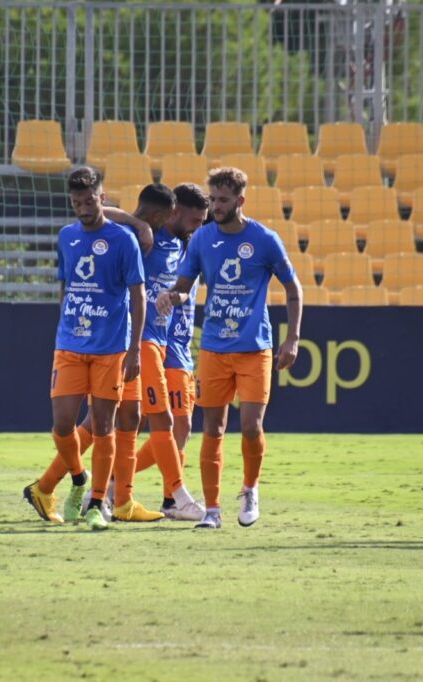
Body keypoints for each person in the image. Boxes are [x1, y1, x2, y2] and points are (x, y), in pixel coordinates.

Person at [155, 167, 303, 530]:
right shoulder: (203, 240)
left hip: (254, 347)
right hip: (215, 348)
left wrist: (293, 337)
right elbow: (186, 285)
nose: (215, 207)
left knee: (251, 427)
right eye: (213, 200)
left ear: (240, 201)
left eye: (222, 201)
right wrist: (172, 297)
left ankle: (250, 489)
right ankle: (213, 510)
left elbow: (294, 289)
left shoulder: (265, 239)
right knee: (213, 429)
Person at [22, 166, 146, 532]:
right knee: (62, 425)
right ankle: (78, 478)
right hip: (70, 343)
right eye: (77, 202)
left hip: (110, 348)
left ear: (102, 198)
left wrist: (135, 349)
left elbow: (138, 297)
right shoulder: (66, 237)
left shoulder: (123, 240)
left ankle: (96, 504)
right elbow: (66, 285)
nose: (83, 208)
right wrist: (65, 322)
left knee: (104, 427)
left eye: (89, 200)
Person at [132, 183, 210, 517]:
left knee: (183, 427)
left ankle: (166, 498)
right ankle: (171, 495)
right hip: (150, 339)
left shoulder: (189, 246)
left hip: (178, 344)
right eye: (195, 220)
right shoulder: (148, 239)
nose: (199, 227)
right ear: (175, 212)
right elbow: (104, 217)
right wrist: (137, 224)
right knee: (152, 421)